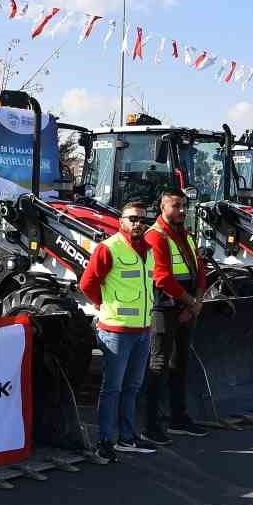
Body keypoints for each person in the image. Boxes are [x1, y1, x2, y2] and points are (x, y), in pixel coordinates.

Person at [78, 201, 157, 461]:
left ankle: (126, 437)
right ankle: (105, 440)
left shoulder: (148, 250)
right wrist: (104, 306)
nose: (138, 223)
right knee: (112, 388)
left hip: (143, 330)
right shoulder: (108, 248)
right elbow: (87, 284)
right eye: (132, 218)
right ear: (120, 220)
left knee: (133, 386)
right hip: (116, 331)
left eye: (142, 219)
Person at [142, 190, 210, 445]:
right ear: (162, 207)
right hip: (164, 310)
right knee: (158, 365)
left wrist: (198, 300)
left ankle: (178, 418)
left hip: (185, 308)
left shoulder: (187, 235)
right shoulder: (155, 237)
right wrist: (191, 302)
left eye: (184, 206)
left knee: (180, 363)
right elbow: (162, 277)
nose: (181, 210)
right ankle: (151, 425)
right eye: (176, 206)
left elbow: (199, 269)